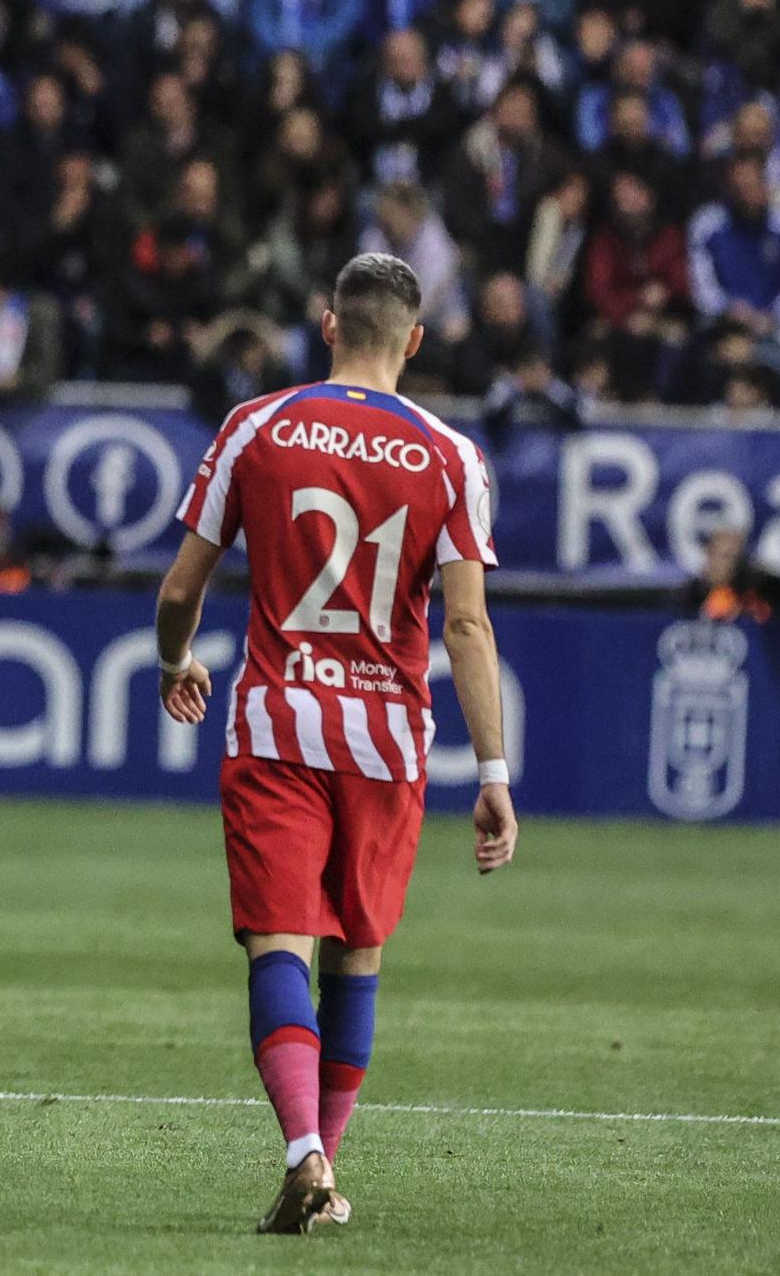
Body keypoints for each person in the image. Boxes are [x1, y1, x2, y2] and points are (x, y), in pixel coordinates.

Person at [154, 253, 518, 1233]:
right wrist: (491, 773)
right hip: (387, 742)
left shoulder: (255, 425)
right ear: (413, 339)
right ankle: (324, 1166)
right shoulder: (449, 455)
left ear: (325, 326)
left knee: (276, 939)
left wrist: (174, 662)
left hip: (276, 722)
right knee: (353, 954)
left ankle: (301, 1154)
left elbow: (179, 588)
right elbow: (466, 627)